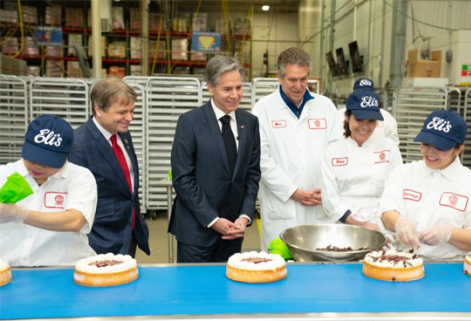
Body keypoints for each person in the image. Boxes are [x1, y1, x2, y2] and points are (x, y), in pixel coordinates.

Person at [169, 55, 261, 263]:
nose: (235, 95)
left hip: (233, 233)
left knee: (228, 291)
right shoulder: (190, 122)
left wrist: (244, 216)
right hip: (196, 233)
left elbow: (252, 175)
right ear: (211, 88)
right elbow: (183, 179)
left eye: (239, 88)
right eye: (227, 89)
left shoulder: (250, 123)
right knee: (195, 291)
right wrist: (213, 220)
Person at [252, 47, 343, 251]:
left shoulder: (326, 107)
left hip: (319, 203)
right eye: (292, 80)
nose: (299, 85)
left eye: (303, 79)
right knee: (280, 265)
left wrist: (328, 190)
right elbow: (260, 159)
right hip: (282, 206)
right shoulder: (263, 108)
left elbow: (338, 153)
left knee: (320, 265)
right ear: (279, 77)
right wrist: (292, 191)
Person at [381, 109, 471, 260]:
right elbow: (387, 213)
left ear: (458, 149)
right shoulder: (404, 173)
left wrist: (448, 233)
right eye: (426, 143)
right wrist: (401, 223)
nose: (430, 152)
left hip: (448, 267)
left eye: (441, 147)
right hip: (400, 260)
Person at [0, 115, 97, 267]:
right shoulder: (4, 174)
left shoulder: (80, 177)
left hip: (65, 270)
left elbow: (75, 221)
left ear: (66, 156)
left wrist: (19, 214)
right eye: (32, 158)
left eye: (47, 162)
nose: (38, 167)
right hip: (10, 270)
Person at [69, 77, 150, 257]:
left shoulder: (122, 134)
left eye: (132, 111)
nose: (130, 118)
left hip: (128, 233)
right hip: (99, 241)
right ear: (98, 109)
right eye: (122, 112)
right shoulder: (79, 144)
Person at [321, 90, 403, 230]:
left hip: (381, 223)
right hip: (343, 225)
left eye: (371, 121)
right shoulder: (333, 151)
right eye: (359, 119)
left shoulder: (389, 149)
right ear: (347, 117)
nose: (364, 127)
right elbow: (329, 197)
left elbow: (398, 189)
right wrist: (359, 223)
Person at [338, 78, 399, 145]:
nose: (364, 96)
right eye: (359, 119)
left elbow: (393, 146)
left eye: (371, 120)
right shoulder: (338, 115)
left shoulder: (387, 117)